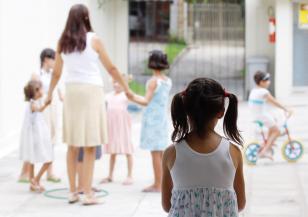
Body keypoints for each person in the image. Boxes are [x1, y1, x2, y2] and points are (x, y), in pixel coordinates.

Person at [46, 4, 132, 205]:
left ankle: (73, 192)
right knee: (90, 145)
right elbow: (111, 68)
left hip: (72, 92)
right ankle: (88, 194)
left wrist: (50, 93)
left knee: (73, 145)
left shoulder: (62, 42)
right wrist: (126, 87)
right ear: (86, 18)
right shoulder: (94, 40)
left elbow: (57, 73)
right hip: (91, 92)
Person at [161, 78, 246, 217]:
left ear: (186, 110)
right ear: (221, 112)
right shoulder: (233, 152)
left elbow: (167, 205)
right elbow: (240, 204)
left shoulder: (171, 153)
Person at [130, 50, 172, 192]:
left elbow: (145, 101)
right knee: (159, 152)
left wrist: (131, 96)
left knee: (155, 153)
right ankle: (160, 182)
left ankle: (157, 184)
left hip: (153, 120)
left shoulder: (153, 82)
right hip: (162, 120)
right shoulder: (167, 81)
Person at [18, 49, 62, 183]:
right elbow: (32, 93)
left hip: (52, 107)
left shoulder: (53, 74)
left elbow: (58, 90)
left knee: (52, 138)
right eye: (53, 59)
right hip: (41, 109)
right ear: (46, 59)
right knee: (39, 139)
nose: (55, 62)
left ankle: (50, 173)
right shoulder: (36, 74)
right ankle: (25, 173)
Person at [248, 71, 291, 159]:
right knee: (277, 131)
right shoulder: (263, 92)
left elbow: (269, 103)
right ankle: (264, 152)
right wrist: (286, 109)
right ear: (261, 82)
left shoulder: (255, 90)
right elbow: (274, 102)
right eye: (267, 80)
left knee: (273, 124)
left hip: (257, 115)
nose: (269, 81)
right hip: (261, 116)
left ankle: (267, 143)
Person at [20, 80, 53, 193]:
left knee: (33, 160)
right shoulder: (33, 104)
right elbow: (39, 110)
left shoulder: (34, 103)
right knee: (48, 159)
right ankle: (36, 180)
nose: (41, 91)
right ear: (34, 92)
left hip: (36, 136)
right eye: (38, 89)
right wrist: (46, 105)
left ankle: (33, 182)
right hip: (36, 138)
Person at [100, 79, 134, 185]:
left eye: (119, 82)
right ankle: (110, 175)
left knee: (127, 149)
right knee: (112, 150)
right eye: (115, 82)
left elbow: (135, 98)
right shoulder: (108, 96)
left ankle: (130, 175)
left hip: (122, 125)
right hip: (112, 126)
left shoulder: (125, 95)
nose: (116, 84)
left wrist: (127, 87)